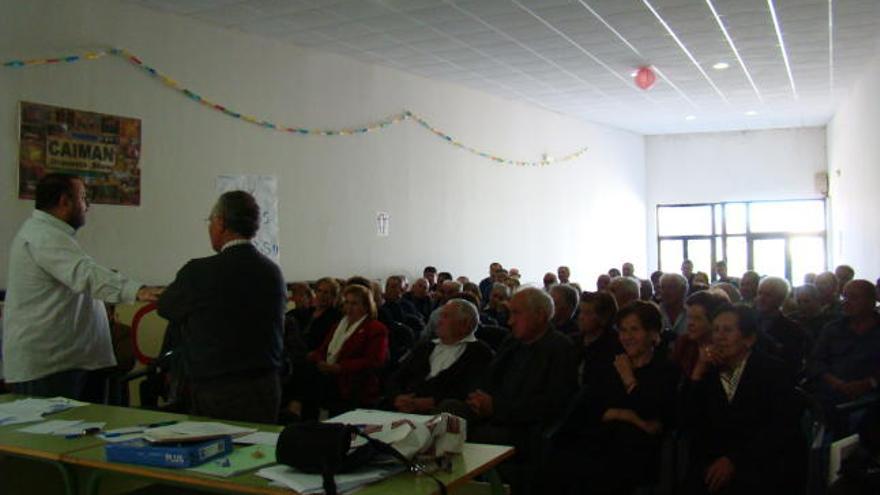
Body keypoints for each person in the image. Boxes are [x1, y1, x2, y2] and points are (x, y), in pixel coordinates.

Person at [3, 173, 160, 401]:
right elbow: (84, 273)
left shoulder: (52, 235)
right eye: (84, 198)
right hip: (50, 367)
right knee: (53, 434)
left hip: (70, 362)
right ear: (65, 202)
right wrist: (136, 290)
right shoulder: (43, 237)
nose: (87, 206)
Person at [157, 191, 285, 423]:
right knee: (256, 454)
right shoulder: (272, 272)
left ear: (220, 222)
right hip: (265, 386)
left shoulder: (199, 272)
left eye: (210, 221)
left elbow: (166, 308)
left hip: (216, 388)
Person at [443, 287, 577, 493]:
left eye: (516, 313)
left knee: (471, 435)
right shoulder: (513, 341)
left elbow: (551, 404)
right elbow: (488, 376)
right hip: (493, 412)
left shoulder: (560, 348)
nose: (509, 321)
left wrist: (496, 407)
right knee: (448, 412)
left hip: (524, 426)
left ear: (539, 315)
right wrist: (478, 398)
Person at [546, 301, 679, 495]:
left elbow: (652, 414)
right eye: (623, 330)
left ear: (653, 333)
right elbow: (589, 409)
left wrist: (628, 379)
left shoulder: (666, 369)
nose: (627, 337)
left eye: (635, 330)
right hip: (601, 439)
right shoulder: (610, 364)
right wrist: (629, 415)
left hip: (637, 449)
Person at [683, 304, 801, 495]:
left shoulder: (773, 371)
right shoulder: (709, 371)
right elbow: (689, 420)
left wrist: (734, 459)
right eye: (716, 330)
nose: (720, 337)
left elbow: (781, 425)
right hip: (713, 460)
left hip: (759, 460)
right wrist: (698, 371)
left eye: (728, 330)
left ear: (749, 339)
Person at [296, 284, 389, 418]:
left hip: (355, 383)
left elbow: (374, 361)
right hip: (331, 377)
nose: (349, 307)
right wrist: (319, 359)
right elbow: (323, 349)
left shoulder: (376, 329)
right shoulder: (339, 325)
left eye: (354, 304)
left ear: (366, 306)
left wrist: (339, 367)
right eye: (347, 302)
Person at [387, 299, 493, 414]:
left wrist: (431, 402)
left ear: (465, 324)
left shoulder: (480, 353)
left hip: (442, 413)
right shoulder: (425, 347)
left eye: (446, 316)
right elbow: (397, 377)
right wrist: (397, 397)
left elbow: (469, 391)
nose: (439, 321)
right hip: (402, 407)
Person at [807, 280, 880, 417]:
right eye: (844, 297)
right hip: (831, 392)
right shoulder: (832, 329)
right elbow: (815, 361)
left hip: (871, 397)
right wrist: (837, 383)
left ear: (872, 300)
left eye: (853, 297)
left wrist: (869, 383)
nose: (846, 302)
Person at [755, 277, 811, 377]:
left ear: (780, 299)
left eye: (768, 295)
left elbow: (792, 364)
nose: (761, 298)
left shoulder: (793, 330)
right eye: (760, 293)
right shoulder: (745, 321)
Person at [671, 291, 728, 378]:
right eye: (689, 317)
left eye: (697, 318)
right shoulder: (683, 343)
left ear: (713, 321)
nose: (690, 323)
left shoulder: (723, 349)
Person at [576, 291, 622, 385]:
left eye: (587, 313)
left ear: (604, 317)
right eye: (581, 312)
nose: (581, 317)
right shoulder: (573, 341)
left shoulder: (615, 344)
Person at [659, 273, 688, 337]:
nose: (665, 292)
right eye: (662, 287)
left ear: (683, 290)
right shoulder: (655, 313)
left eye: (670, 287)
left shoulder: (692, 313)